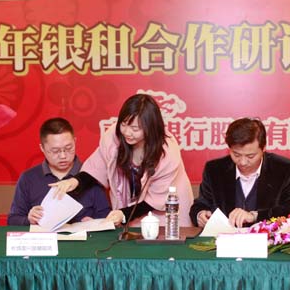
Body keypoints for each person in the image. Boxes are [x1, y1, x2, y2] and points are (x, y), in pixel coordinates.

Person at [52, 94, 193, 227]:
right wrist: (74, 181)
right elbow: (97, 166)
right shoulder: (114, 136)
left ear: (150, 128)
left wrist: (123, 214)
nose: (127, 132)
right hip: (130, 211)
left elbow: (155, 200)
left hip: (167, 212)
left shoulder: (166, 152)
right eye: (124, 124)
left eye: (135, 128)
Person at [190, 117, 290, 228]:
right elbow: (200, 204)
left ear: (263, 148)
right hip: (223, 238)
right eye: (236, 155)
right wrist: (200, 215)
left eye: (250, 156)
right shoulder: (214, 169)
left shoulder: (285, 169)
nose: (243, 162)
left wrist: (255, 216)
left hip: (267, 239)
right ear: (229, 149)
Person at [7, 117, 111, 226]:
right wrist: (29, 219)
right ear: (42, 148)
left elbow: (107, 216)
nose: (63, 156)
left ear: (75, 141)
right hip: (44, 236)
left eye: (68, 148)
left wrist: (95, 222)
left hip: (83, 236)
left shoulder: (90, 175)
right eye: (55, 151)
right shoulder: (28, 178)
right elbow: (13, 219)